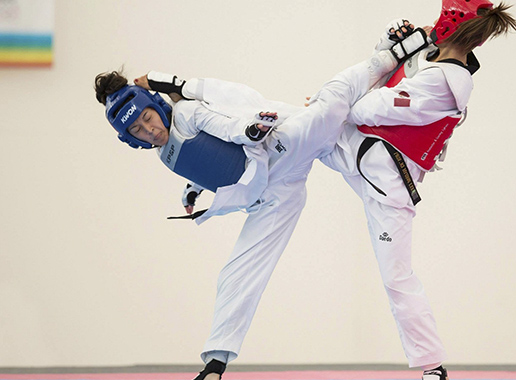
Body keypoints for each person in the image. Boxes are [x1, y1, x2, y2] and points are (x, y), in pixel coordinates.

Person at [94, 29, 426, 380]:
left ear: (155, 106)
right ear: (130, 139)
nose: (149, 130)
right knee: (235, 274)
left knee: (328, 108)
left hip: (278, 150)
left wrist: (249, 130)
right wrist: (192, 192)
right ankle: (216, 363)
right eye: (138, 131)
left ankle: (390, 56)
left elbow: (223, 125)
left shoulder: (188, 113)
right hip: (273, 199)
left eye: (147, 118)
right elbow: (205, 162)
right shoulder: (163, 153)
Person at [319, 1, 516, 378]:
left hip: (386, 179)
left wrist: (391, 59)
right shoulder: (434, 67)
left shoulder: (443, 82)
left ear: (451, 25)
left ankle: (432, 367)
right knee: (292, 127)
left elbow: (364, 108)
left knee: (396, 276)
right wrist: (395, 51)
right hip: (362, 155)